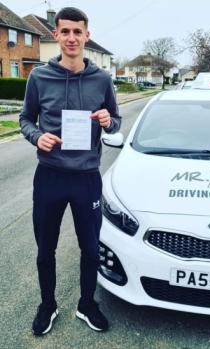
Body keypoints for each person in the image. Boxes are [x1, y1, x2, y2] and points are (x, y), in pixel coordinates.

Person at [19, 7, 121, 335]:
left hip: (87, 177)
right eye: (65, 32)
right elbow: (25, 119)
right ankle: (47, 305)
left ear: (87, 36)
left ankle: (86, 304)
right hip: (49, 175)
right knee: (45, 248)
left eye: (78, 32)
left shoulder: (102, 79)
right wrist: (38, 136)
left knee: (91, 247)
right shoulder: (39, 77)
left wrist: (109, 121)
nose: (71, 38)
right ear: (56, 35)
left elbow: (115, 120)